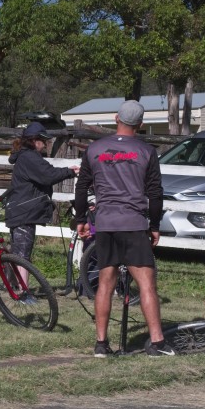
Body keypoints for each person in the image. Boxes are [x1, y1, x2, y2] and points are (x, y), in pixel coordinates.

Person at [72, 100, 172, 358]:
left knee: (105, 282)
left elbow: (82, 187)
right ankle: (157, 342)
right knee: (147, 284)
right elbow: (155, 193)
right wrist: (154, 225)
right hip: (134, 223)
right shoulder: (146, 151)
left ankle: (101, 343)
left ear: (116, 118)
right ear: (140, 124)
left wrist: (80, 219)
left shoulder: (95, 149)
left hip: (105, 224)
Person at [5, 122, 78, 304]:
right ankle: (23, 293)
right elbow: (48, 175)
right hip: (24, 212)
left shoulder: (26, 157)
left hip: (20, 211)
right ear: (34, 141)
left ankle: (15, 287)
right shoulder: (30, 157)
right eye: (43, 141)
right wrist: (70, 172)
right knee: (23, 255)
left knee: (18, 252)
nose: (45, 144)